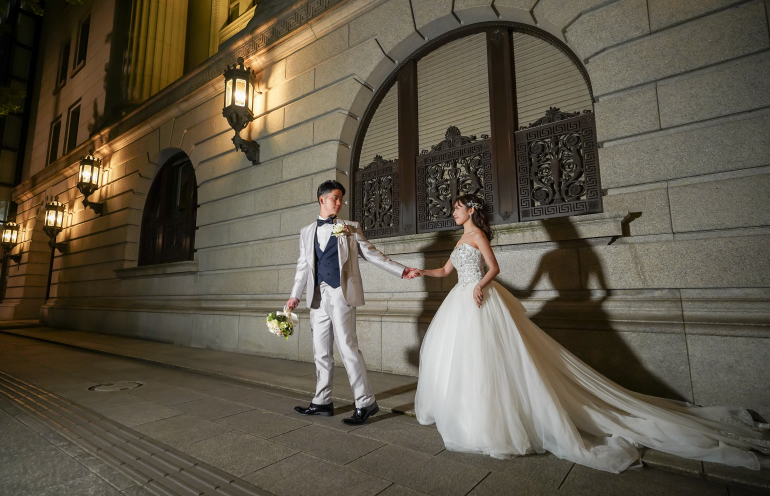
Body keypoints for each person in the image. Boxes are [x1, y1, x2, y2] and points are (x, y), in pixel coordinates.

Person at [413, 194, 769, 473]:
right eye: (454, 209)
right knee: (464, 362)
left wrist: (481, 286)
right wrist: (421, 273)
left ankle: (498, 423)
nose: (454, 213)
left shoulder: (477, 236)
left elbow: (495, 268)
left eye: (458, 209)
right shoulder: (461, 240)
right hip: (460, 300)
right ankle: (469, 417)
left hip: (478, 300)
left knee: (489, 361)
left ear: (471, 210)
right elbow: (446, 269)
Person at [288, 180, 419, 425]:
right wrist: (295, 294)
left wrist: (401, 270)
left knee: (348, 348)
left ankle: (366, 402)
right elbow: (303, 266)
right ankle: (322, 401)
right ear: (322, 199)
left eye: (341, 199)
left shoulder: (349, 228)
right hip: (317, 296)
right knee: (320, 352)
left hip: (341, 293)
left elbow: (372, 254)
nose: (340, 203)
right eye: (336, 198)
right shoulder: (306, 231)